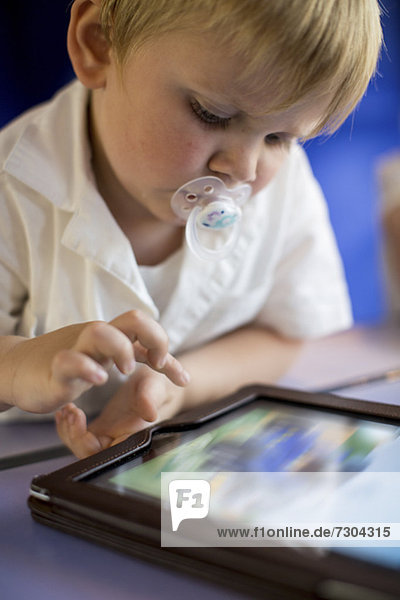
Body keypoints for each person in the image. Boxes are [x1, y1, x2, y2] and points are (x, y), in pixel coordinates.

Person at [0, 0, 382, 458]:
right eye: (211, 114)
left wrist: (177, 387)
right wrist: (16, 365)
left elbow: (286, 333)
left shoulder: (281, 186)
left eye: (279, 138)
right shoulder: (14, 187)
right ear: (98, 45)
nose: (242, 169)